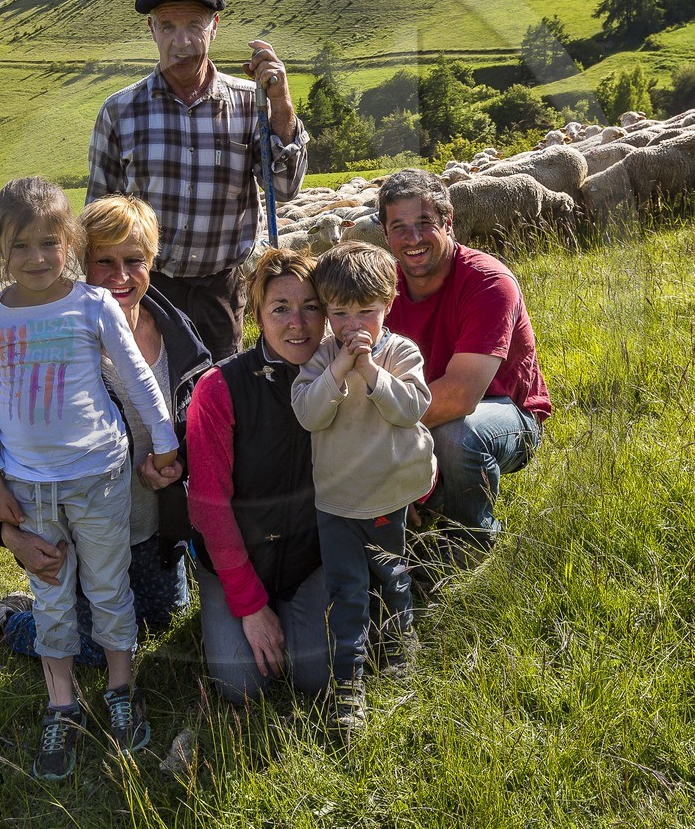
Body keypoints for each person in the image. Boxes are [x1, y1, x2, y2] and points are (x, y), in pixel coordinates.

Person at [0, 177, 182, 782]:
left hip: (99, 477)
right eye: (20, 246)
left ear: (69, 244)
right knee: (52, 592)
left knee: (112, 591)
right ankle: (62, 704)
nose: (36, 258)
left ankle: (119, 690)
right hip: (32, 488)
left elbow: (138, 378)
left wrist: (165, 442)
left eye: (48, 244)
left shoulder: (91, 305)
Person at [0, 194, 213, 664]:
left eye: (134, 261)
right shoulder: (58, 340)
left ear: (152, 262)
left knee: (165, 618)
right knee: (95, 647)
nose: (120, 275)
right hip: (76, 525)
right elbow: (17, 437)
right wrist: (5, 532)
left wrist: (173, 461)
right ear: (80, 259)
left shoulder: (181, 338)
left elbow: (199, 429)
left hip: (153, 528)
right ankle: (11, 620)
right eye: (104, 261)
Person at [87, 0, 309, 362]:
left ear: (215, 26)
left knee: (220, 397)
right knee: (151, 396)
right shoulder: (120, 112)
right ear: (151, 30)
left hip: (221, 291)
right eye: (168, 26)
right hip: (147, 290)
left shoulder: (250, 104)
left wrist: (281, 105)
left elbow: (286, 188)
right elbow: (98, 220)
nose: (182, 41)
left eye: (194, 25)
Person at [290, 240, 435, 735]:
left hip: (388, 494)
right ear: (327, 313)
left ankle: (401, 650)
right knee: (346, 590)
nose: (354, 326)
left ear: (389, 305)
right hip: (337, 501)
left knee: (392, 575)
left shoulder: (400, 353)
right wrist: (338, 370)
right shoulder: (319, 360)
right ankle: (349, 685)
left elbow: (410, 408)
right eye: (340, 312)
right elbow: (309, 415)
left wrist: (370, 371)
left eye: (366, 312)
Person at [376, 168, 550, 554]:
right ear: (385, 235)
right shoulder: (383, 290)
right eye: (399, 227)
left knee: (456, 437)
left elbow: (459, 397)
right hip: (417, 414)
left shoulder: (487, 282)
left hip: (505, 415)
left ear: (448, 222)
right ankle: (428, 503)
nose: (413, 238)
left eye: (424, 223)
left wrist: (376, 447)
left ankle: (472, 542)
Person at [187, 248, 331, 703]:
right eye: (281, 309)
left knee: (318, 677)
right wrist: (249, 605)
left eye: (311, 307)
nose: (298, 323)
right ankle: (241, 609)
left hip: (311, 559)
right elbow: (209, 508)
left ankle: (298, 615)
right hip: (239, 557)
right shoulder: (220, 389)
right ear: (257, 315)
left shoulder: (343, 377)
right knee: (242, 687)